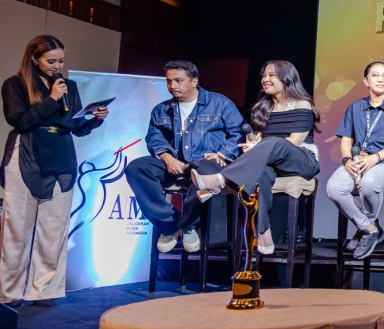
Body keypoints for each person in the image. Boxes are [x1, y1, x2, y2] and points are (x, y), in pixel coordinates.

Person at [0, 35, 108, 306]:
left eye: (61, 60)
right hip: (27, 154)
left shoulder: (68, 86)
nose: (57, 66)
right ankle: (10, 291)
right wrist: (51, 98)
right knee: (17, 228)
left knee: (54, 227)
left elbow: (74, 126)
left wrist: (93, 120)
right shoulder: (15, 84)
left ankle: (44, 289)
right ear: (34, 58)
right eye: (51, 61)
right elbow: (20, 121)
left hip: (61, 156)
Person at [193, 61, 320, 254]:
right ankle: (264, 231)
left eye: (272, 75)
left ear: (287, 78)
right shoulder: (261, 107)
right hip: (270, 161)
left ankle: (222, 180)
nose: (265, 79)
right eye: (263, 75)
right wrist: (252, 143)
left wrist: (259, 146)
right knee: (261, 174)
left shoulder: (302, 104)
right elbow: (257, 138)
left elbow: (294, 141)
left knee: (274, 142)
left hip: (300, 160)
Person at [125, 61, 245, 254]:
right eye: (169, 81)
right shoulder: (161, 109)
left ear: (194, 81)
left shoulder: (220, 103)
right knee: (136, 168)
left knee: (204, 173)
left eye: (178, 80)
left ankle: (188, 224)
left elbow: (238, 133)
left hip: (206, 161)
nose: (172, 86)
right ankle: (169, 225)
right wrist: (167, 158)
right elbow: (154, 138)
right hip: (174, 162)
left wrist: (222, 154)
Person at [326, 61, 384, 260]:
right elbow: (346, 139)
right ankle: (370, 228)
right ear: (366, 81)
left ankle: (364, 228)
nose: (381, 79)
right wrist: (347, 160)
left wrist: (375, 158)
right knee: (334, 187)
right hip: (359, 160)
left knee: (369, 182)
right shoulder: (355, 107)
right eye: (375, 75)